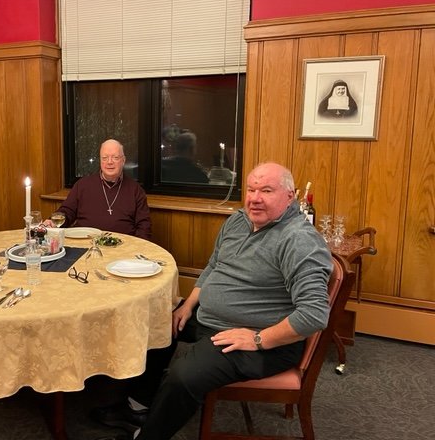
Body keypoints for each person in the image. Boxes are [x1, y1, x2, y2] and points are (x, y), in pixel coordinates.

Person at [92, 162, 333, 440]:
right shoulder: (239, 220)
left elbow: (314, 314)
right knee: (156, 322)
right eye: (252, 189)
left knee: (183, 375)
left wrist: (258, 339)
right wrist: (187, 306)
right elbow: (214, 265)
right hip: (213, 319)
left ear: (290, 197)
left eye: (266, 190)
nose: (255, 198)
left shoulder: (299, 240)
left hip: (263, 340)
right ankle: (138, 405)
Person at [46, 139, 151, 240]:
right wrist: (52, 222)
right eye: (104, 158)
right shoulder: (82, 185)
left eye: (115, 157)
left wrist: (137, 248)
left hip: (122, 248)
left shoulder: (135, 190)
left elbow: (144, 227)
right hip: (85, 245)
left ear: (123, 160)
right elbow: (67, 212)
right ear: (100, 160)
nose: (109, 162)